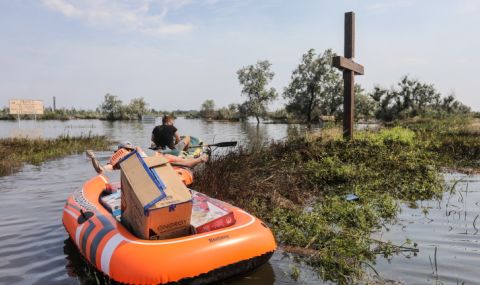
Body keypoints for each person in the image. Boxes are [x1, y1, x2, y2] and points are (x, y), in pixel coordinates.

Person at [86, 141, 207, 175]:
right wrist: (93, 158)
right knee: (170, 158)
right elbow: (101, 170)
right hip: (148, 167)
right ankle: (197, 160)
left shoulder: (133, 151)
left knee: (168, 156)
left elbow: (101, 170)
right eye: (128, 145)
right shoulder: (115, 160)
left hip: (150, 162)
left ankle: (193, 160)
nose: (130, 146)